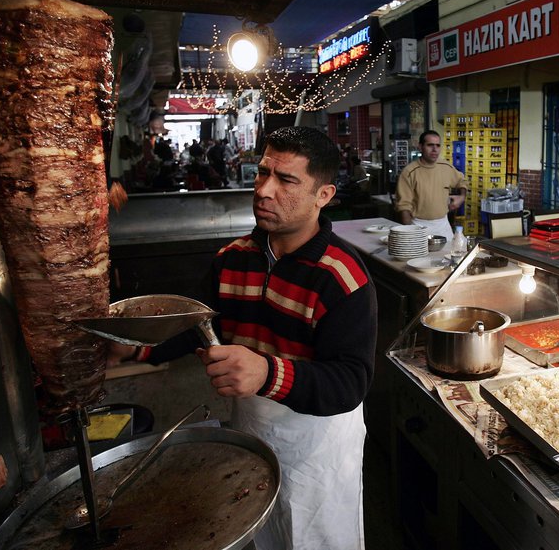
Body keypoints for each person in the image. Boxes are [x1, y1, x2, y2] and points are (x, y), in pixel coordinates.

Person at [119, 126, 377, 550]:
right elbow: (196, 327)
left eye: (286, 180)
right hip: (252, 425)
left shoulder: (341, 278)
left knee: (315, 537)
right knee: (261, 533)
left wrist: (267, 372)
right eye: (262, 173)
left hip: (317, 442)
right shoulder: (233, 259)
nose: (264, 190)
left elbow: (350, 381)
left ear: (323, 196)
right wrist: (133, 345)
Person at [394, 130, 467, 241]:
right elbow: (404, 206)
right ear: (420, 147)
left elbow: (462, 181)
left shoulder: (446, 167)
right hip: (418, 225)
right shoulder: (409, 172)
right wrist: (409, 233)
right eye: (430, 145)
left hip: (443, 225)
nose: (434, 149)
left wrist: (462, 197)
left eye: (437, 145)